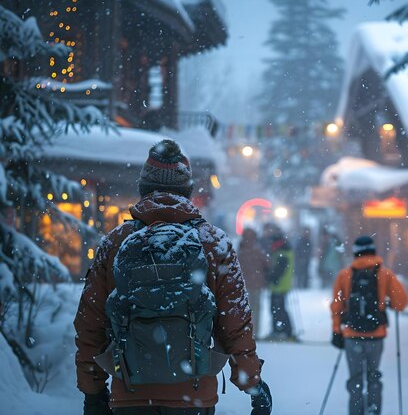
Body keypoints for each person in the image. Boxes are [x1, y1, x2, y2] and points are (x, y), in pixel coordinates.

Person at [74, 140, 272, 415]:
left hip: (130, 393)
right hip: (194, 396)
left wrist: (92, 389)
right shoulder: (213, 243)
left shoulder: (116, 242)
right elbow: (235, 323)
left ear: (143, 188)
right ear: (188, 191)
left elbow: (90, 323)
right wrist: (252, 383)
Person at [330, 236, 408, 415]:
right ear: (373, 250)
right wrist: (386, 302)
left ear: (355, 251)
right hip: (376, 335)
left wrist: (336, 331)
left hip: (352, 336)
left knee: (355, 380)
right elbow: (401, 303)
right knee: (374, 377)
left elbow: (337, 306)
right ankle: (373, 411)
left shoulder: (345, 274)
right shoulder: (385, 274)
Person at [263, 222, 296, 341]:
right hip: (282, 285)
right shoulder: (285, 249)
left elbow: (279, 269)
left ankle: (282, 332)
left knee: (277, 309)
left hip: (279, 285)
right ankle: (284, 331)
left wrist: (270, 278)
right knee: (279, 309)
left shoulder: (282, 252)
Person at [238, 227, 269, 333]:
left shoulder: (241, 251)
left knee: (245, 309)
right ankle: (256, 331)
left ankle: (246, 331)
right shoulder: (258, 250)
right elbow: (268, 263)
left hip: (244, 284)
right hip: (257, 283)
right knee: (256, 309)